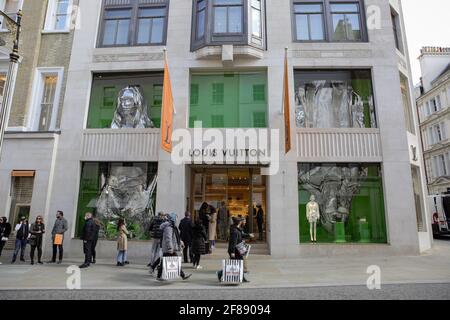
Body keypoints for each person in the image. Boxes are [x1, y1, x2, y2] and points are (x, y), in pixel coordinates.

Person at [155, 213, 191, 281]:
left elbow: (175, 237)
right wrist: (170, 248)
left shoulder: (173, 227)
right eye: (176, 218)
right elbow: (168, 239)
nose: (177, 220)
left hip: (170, 249)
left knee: (164, 262)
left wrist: (180, 242)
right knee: (174, 262)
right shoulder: (169, 228)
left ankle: (159, 276)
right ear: (173, 219)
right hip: (169, 249)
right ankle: (182, 275)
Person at [217, 216, 254, 283]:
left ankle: (242, 278)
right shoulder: (234, 231)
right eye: (240, 221)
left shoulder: (237, 229)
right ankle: (220, 273)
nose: (241, 222)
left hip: (238, 250)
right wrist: (232, 252)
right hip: (235, 250)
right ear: (239, 222)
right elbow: (233, 243)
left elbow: (242, 235)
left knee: (238, 264)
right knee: (233, 264)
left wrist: (249, 235)